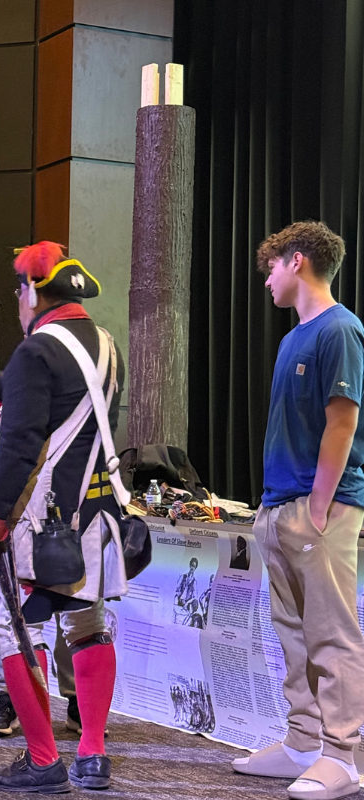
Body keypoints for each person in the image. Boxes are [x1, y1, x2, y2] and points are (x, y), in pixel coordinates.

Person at [0, 241, 124, 793]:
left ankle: (43, 760)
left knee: (18, 632)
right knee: (89, 626)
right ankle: (92, 755)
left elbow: (17, 450)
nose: (17, 298)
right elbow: (50, 393)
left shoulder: (38, 349)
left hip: (37, 515)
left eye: (19, 287)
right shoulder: (104, 345)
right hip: (94, 509)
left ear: (33, 292)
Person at [231, 222, 364, 800]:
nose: (267, 282)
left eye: (271, 269)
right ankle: (304, 742)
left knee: (333, 636)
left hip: (321, 509)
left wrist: (318, 504)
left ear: (298, 260)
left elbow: (343, 419)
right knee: (293, 635)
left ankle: (344, 756)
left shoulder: (340, 328)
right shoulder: (292, 339)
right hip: (278, 506)